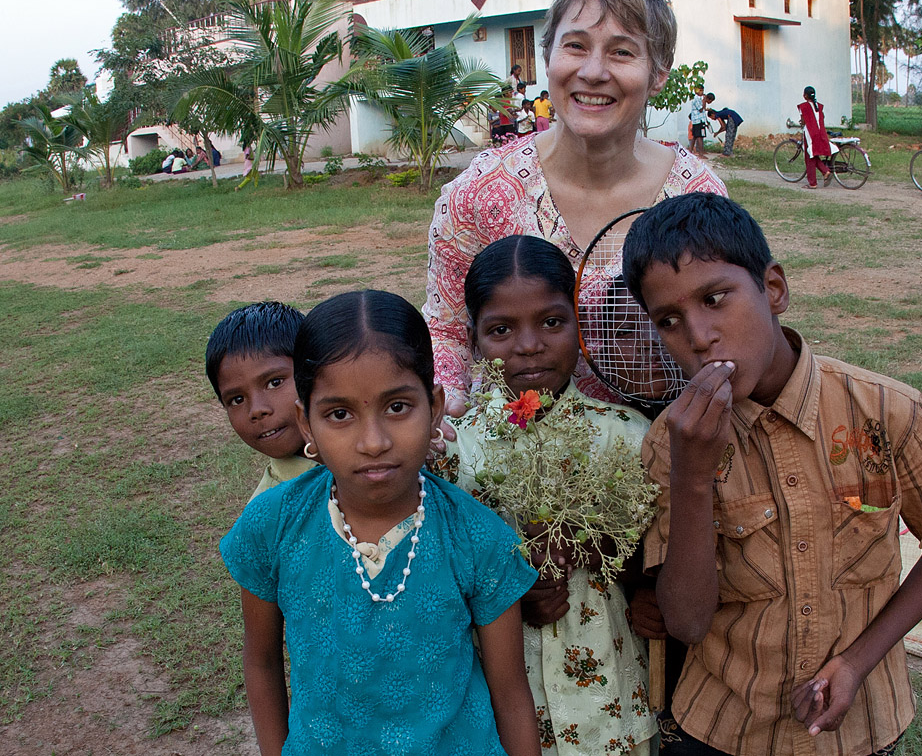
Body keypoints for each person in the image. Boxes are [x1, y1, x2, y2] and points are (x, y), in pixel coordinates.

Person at [621, 193, 922, 756]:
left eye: (715, 299)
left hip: (861, 725)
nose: (698, 336)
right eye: (668, 321)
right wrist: (692, 477)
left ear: (774, 289)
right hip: (723, 726)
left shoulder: (888, 412)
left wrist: (858, 662)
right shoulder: (674, 444)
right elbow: (687, 623)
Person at [220, 289, 541, 756]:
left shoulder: (477, 537)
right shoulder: (273, 525)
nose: (373, 442)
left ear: (434, 407)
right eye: (339, 414)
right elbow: (262, 663)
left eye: (397, 407)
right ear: (306, 423)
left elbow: (510, 694)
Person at [424, 0, 725, 414]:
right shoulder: (477, 195)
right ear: (548, 57)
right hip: (509, 448)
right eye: (575, 46)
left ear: (658, 73)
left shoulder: (697, 197)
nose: (593, 71)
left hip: (666, 444)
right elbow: (446, 331)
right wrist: (450, 410)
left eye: (622, 52)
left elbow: (724, 327)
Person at [446, 235, 658, 755]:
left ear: (579, 326)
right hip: (504, 712)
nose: (529, 345)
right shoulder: (456, 453)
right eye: (501, 330)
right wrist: (511, 595)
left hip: (612, 707)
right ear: (474, 341)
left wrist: (597, 549)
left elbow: (655, 568)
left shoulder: (628, 436)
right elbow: (442, 585)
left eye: (551, 322)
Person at [205, 301, 315, 501]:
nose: (256, 410)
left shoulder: (371, 448)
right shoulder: (267, 511)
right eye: (237, 400)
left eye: (274, 383)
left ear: (313, 371)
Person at [797, 86, 832, 188]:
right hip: (820, 133)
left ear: (805, 96)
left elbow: (803, 121)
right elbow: (822, 117)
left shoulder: (804, 106)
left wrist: (801, 122)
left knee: (809, 157)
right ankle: (825, 171)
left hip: (810, 133)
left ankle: (813, 182)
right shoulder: (819, 106)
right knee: (813, 154)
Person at [688, 84, 707, 156]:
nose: (702, 92)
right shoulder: (696, 99)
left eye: (702, 90)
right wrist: (704, 100)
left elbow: (703, 108)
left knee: (695, 136)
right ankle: (701, 154)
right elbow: (701, 109)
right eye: (701, 90)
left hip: (699, 120)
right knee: (699, 137)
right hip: (698, 120)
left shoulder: (699, 99)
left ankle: (690, 151)